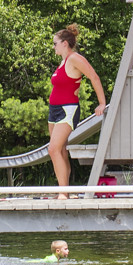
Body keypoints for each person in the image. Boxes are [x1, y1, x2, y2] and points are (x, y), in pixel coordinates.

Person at [47, 25, 108, 198]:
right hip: (54, 111)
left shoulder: (75, 58)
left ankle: (63, 193)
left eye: (55, 43)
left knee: (53, 149)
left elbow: (94, 76)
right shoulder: (63, 61)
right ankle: (65, 190)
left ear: (65, 43)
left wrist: (101, 103)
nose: (54, 47)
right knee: (60, 150)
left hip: (68, 109)